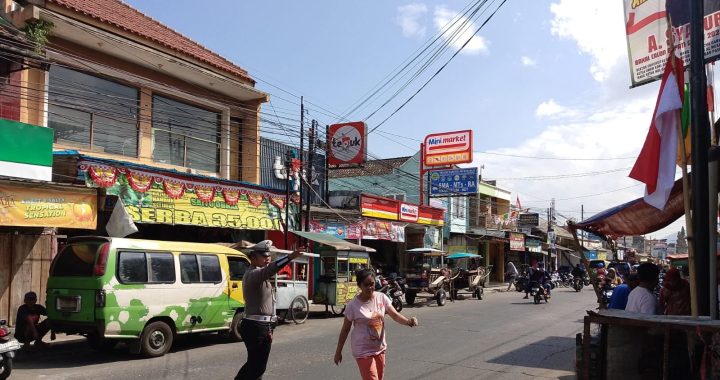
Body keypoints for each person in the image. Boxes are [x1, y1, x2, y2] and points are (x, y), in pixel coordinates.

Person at [235, 240, 305, 380]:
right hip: (257, 327)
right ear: (253, 258)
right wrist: (289, 257)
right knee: (257, 366)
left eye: (268, 255)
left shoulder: (258, 274)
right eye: (263, 255)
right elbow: (271, 269)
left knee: (255, 364)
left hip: (261, 326)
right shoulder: (254, 274)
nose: (267, 258)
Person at [334, 268, 418, 380]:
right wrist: (338, 352)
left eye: (372, 284)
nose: (370, 288)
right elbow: (345, 330)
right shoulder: (353, 306)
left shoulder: (381, 298)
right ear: (359, 286)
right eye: (366, 285)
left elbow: (395, 315)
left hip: (380, 348)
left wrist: (408, 322)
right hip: (362, 351)